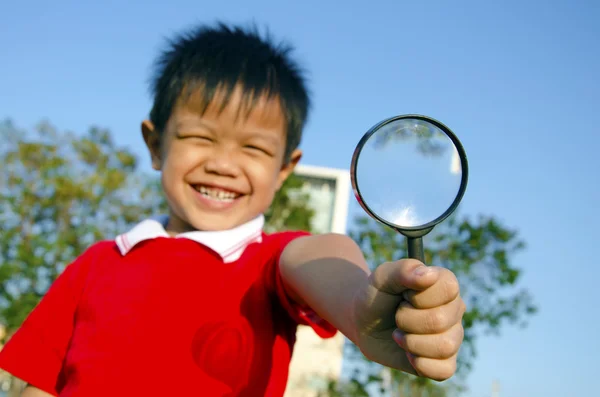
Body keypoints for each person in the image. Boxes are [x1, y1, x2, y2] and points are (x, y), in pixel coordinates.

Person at [0, 22, 466, 397]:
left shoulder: (270, 261)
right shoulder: (94, 266)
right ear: (154, 143)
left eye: (254, 149)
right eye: (199, 137)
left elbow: (323, 256)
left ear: (285, 169)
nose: (223, 164)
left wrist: (362, 309)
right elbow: (38, 386)